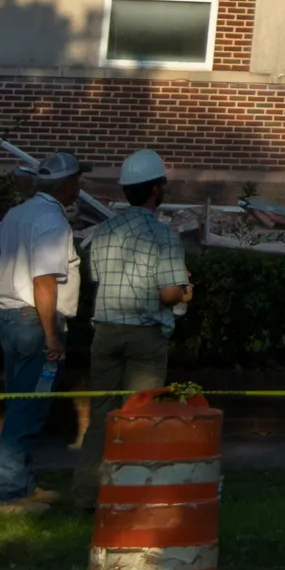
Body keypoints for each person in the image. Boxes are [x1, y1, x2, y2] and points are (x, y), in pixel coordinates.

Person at [70, 149, 193, 511]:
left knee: (100, 418)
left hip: (105, 332)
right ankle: (130, 498)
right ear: (155, 190)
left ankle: (84, 496)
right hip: (145, 336)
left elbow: (98, 279)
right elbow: (169, 294)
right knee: (141, 418)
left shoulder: (103, 232)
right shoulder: (163, 235)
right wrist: (186, 291)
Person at [0, 150, 83, 510]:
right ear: (67, 185)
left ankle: (22, 484)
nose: (79, 188)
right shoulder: (52, 222)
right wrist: (52, 335)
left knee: (19, 402)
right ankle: (8, 491)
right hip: (35, 321)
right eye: (77, 181)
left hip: (9, 317)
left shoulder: (17, 213)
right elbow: (44, 281)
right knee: (29, 407)